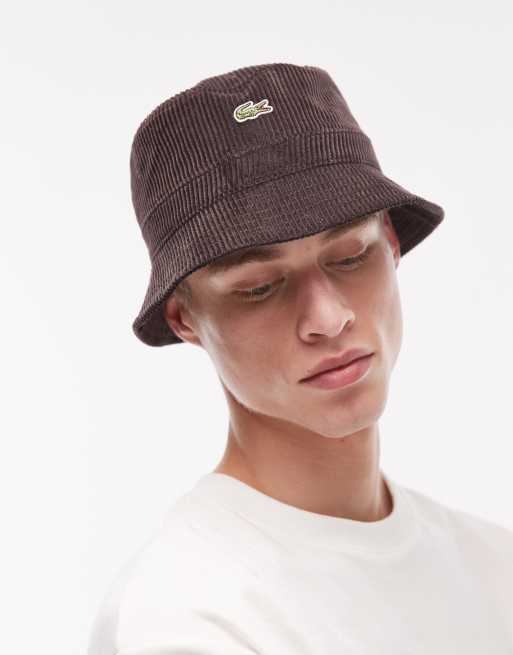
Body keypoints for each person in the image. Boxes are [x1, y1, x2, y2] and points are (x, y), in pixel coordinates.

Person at [87, 63, 513, 655]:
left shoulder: (494, 568)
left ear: (391, 244)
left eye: (350, 256)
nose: (328, 318)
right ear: (184, 318)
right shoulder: (183, 618)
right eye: (259, 287)